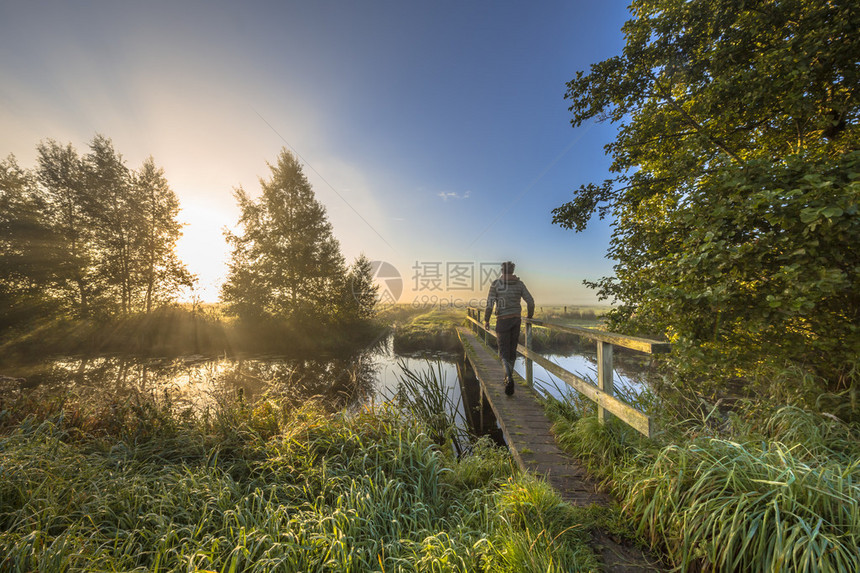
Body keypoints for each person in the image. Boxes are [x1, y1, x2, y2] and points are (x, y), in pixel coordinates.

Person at [484, 261, 534, 396]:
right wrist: (529, 317)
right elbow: (530, 302)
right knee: (512, 352)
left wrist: (486, 320)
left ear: (502, 271)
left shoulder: (496, 284)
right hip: (516, 320)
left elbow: (489, 304)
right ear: (512, 271)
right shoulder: (519, 284)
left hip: (502, 321)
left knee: (503, 353)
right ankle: (508, 378)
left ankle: (508, 378)